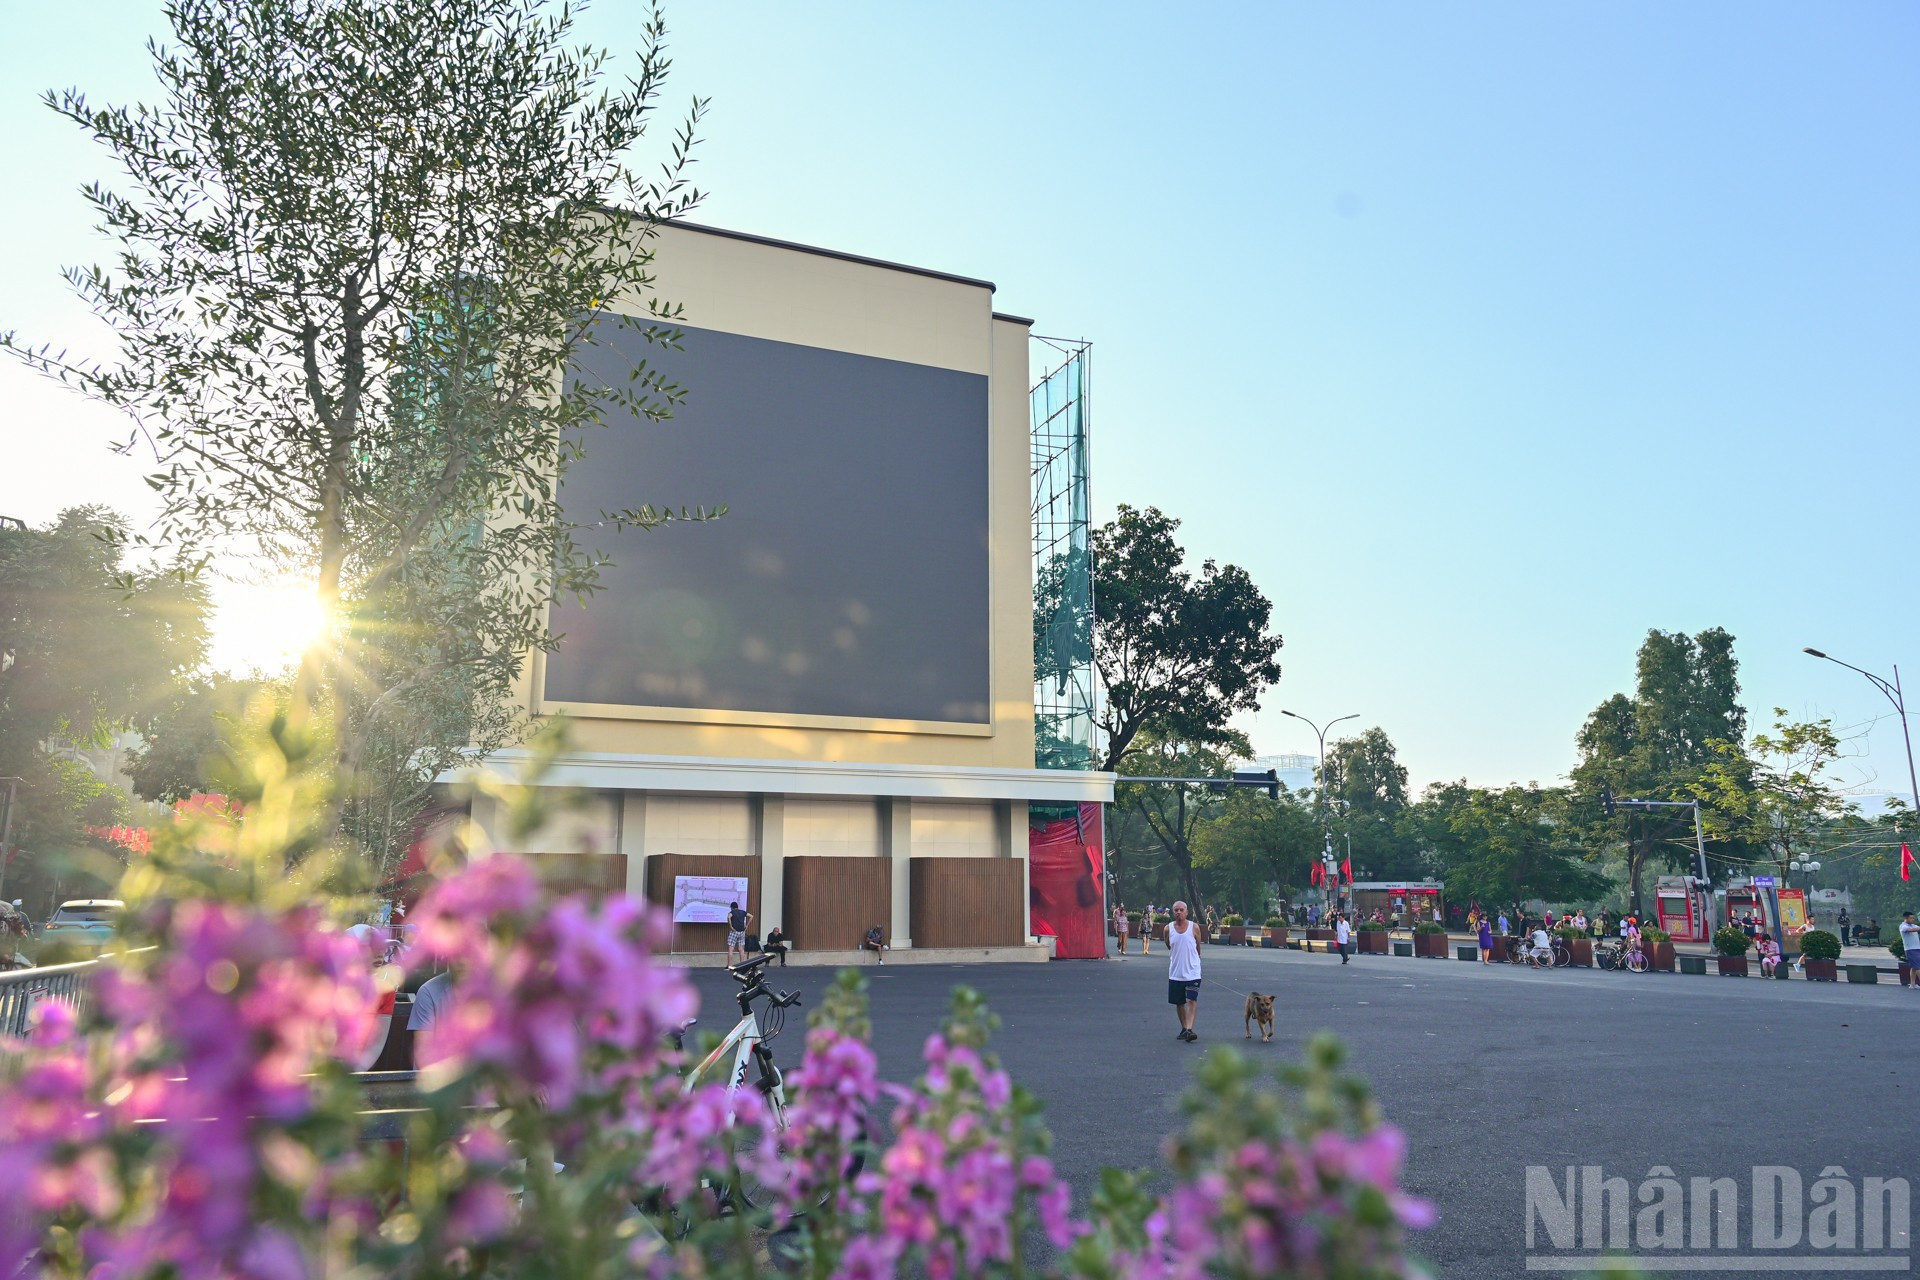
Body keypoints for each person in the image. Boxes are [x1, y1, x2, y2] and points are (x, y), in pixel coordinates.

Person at [1165, 899, 1203, 1042]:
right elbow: (1169, 945)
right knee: (1179, 1002)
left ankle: (1189, 1029)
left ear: (1187, 912)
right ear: (1172, 912)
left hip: (1193, 971)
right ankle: (1184, 1028)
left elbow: (1197, 947)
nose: (1179, 912)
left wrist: (1195, 962)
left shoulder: (1194, 927)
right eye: (1176, 910)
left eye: (1181, 910)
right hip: (1176, 973)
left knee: (1191, 1000)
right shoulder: (1168, 929)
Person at [726, 901, 753, 968]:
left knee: (731, 949)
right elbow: (751, 916)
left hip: (734, 931)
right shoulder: (742, 912)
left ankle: (730, 965)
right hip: (742, 932)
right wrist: (747, 925)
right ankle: (742, 964)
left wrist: (731, 926)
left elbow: (729, 917)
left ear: (732, 907)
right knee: (741, 949)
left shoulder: (732, 912)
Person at [1900, 912, 1920, 989]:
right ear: (1906, 918)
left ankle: (1912, 984)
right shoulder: (1903, 926)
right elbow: (1911, 930)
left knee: (1914, 967)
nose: (1913, 919)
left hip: (1917, 948)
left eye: (1913, 918)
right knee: (1918, 966)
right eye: (1911, 918)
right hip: (1910, 949)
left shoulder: (1914, 925)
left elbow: (1917, 928)